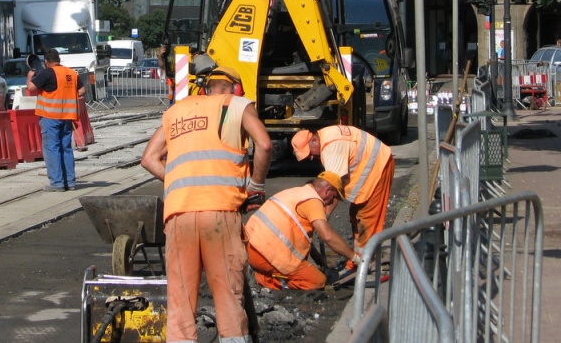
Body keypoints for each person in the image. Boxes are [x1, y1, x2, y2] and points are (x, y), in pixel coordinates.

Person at [140, 65, 272, 343]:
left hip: (178, 215)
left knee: (180, 299)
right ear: (235, 88)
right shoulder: (236, 105)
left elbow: (149, 159)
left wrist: (180, 180)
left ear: (206, 87)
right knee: (227, 294)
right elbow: (264, 144)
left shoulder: (176, 111)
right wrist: (255, 188)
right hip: (220, 212)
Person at [290, 125, 396, 273]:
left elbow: (333, 187)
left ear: (314, 139)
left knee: (367, 217)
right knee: (356, 214)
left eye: (309, 153)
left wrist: (324, 215)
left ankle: (364, 263)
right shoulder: (326, 136)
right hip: (371, 165)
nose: (312, 158)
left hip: (378, 166)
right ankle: (361, 257)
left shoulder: (331, 149)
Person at [245, 172, 361, 291]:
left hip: (250, 246)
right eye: (334, 196)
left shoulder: (296, 192)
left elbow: (306, 242)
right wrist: (354, 258)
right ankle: (264, 279)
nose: (332, 202)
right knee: (317, 281)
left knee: (306, 265)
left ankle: (265, 272)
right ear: (327, 190)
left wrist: (321, 263)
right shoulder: (313, 201)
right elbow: (328, 236)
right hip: (266, 254)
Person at [27, 48, 85, 192]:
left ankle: (57, 183)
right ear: (59, 60)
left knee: (52, 148)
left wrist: (30, 75)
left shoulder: (48, 72)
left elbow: (31, 87)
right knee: (66, 148)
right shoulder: (71, 73)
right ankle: (70, 182)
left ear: (46, 62)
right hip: (67, 117)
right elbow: (82, 90)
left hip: (50, 116)